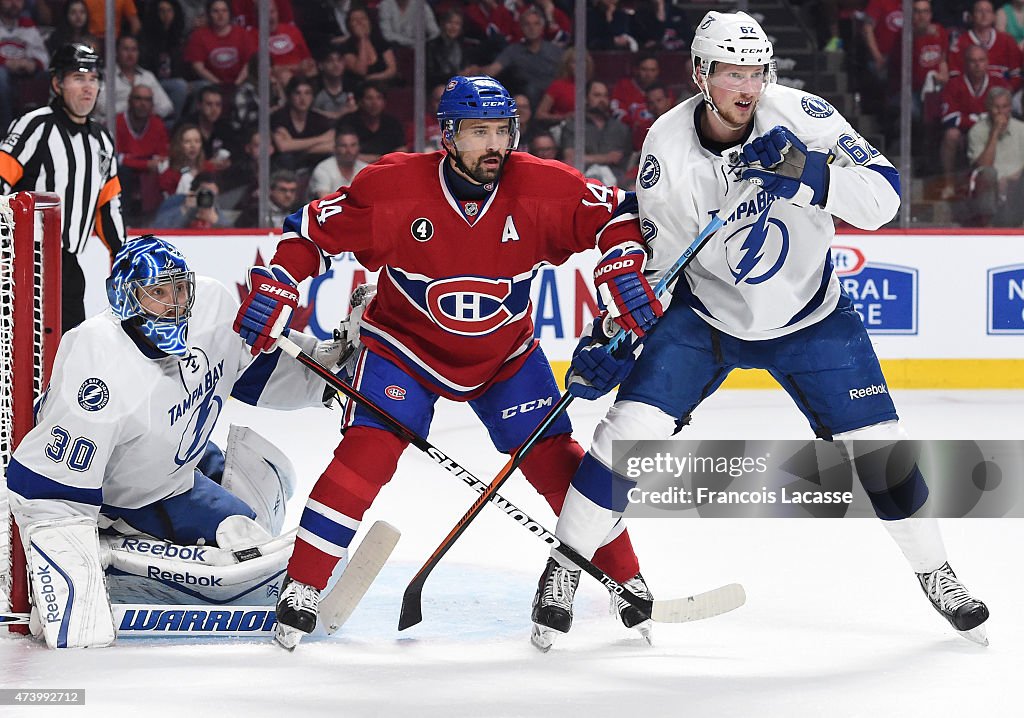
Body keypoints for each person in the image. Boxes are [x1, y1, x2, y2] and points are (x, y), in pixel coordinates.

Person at [542, 10, 991, 649]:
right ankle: (565, 566)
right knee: (625, 434)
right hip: (707, 318)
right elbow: (661, 256)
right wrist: (621, 324)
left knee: (883, 448)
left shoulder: (804, 116)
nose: (747, 87)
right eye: (731, 73)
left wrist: (810, 173)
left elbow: (884, 198)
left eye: (756, 71)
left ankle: (937, 572)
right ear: (701, 74)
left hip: (811, 316)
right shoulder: (666, 147)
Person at [231, 75, 662, 650]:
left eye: (503, 130)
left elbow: (618, 215)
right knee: (368, 452)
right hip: (403, 349)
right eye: (479, 132)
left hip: (504, 354)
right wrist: (279, 280)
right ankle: (303, 585)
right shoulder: (394, 189)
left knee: (557, 461)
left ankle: (624, 575)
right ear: (449, 136)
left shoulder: (542, 186)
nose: (495, 144)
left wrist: (622, 260)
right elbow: (311, 233)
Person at [5, 235, 352, 648]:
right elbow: (46, 487)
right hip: (130, 493)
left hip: (177, 461)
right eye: (158, 293)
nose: (175, 305)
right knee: (242, 539)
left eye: (179, 289)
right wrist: (68, 576)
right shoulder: (98, 363)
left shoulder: (210, 303)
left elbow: (255, 370)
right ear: (126, 299)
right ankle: (114, 555)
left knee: (258, 502)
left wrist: (333, 369)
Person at [0, 43, 125, 333]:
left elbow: (109, 207)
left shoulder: (101, 140)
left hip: (68, 269)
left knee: (67, 357)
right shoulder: (35, 126)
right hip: (23, 261)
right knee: (19, 355)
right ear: (57, 83)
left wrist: (122, 261)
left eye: (93, 79)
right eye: (79, 78)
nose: (88, 87)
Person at [966, 85, 1024, 225]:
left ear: (1010, 108)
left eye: (1004, 107)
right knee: (987, 174)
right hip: (989, 189)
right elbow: (983, 167)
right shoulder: (977, 131)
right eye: (996, 107)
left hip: (1017, 188)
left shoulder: (1021, 129)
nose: (1000, 112)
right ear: (988, 108)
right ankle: (987, 228)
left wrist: (1010, 180)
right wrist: (995, 133)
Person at [0, 0, 50, 131]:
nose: (13, 4)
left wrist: (33, 64)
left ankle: (44, 129)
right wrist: (5, 62)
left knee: (49, 76)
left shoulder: (28, 25)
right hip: (2, 73)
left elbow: (43, 57)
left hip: (24, 72)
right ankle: (6, 131)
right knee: (1, 77)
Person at [309, 129, 367, 198]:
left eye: (353, 145)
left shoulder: (365, 169)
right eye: (343, 146)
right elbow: (324, 200)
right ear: (335, 148)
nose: (349, 150)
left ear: (359, 147)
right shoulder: (323, 169)